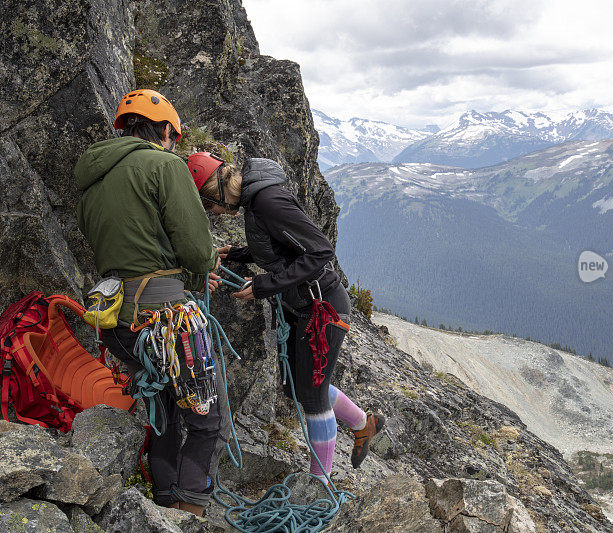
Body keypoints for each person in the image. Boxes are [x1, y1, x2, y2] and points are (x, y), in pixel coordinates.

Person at [74, 89, 230, 516]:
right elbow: (197, 249)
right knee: (206, 415)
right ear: (163, 128)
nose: (173, 143)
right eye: (173, 136)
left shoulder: (91, 180)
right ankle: (190, 505)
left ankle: (161, 501)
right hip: (166, 317)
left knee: (162, 408)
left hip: (117, 319)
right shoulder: (165, 165)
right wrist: (199, 275)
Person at [188, 152, 384, 481]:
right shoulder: (257, 199)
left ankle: (318, 486)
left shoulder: (266, 200)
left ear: (219, 190)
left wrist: (267, 284)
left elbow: (320, 249)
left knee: (312, 397)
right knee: (298, 389)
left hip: (323, 308)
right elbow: (281, 244)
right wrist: (238, 253)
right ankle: (365, 424)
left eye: (211, 205)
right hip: (305, 305)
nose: (215, 213)